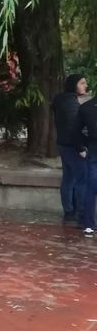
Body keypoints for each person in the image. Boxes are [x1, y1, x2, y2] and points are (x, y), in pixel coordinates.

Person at [52, 74, 88, 224]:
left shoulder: (61, 99)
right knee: (82, 179)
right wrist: (80, 147)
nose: (85, 86)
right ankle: (81, 213)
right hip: (72, 146)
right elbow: (74, 127)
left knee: (69, 178)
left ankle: (69, 211)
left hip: (63, 144)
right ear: (74, 85)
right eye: (82, 83)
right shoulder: (70, 102)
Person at [75, 87, 97, 237]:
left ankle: (89, 224)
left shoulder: (86, 107)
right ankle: (88, 223)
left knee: (91, 187)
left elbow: (76, 131)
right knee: (91, 186)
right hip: (94, 149)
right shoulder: (87, 108)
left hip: (93, 148)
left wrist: (84, 145)